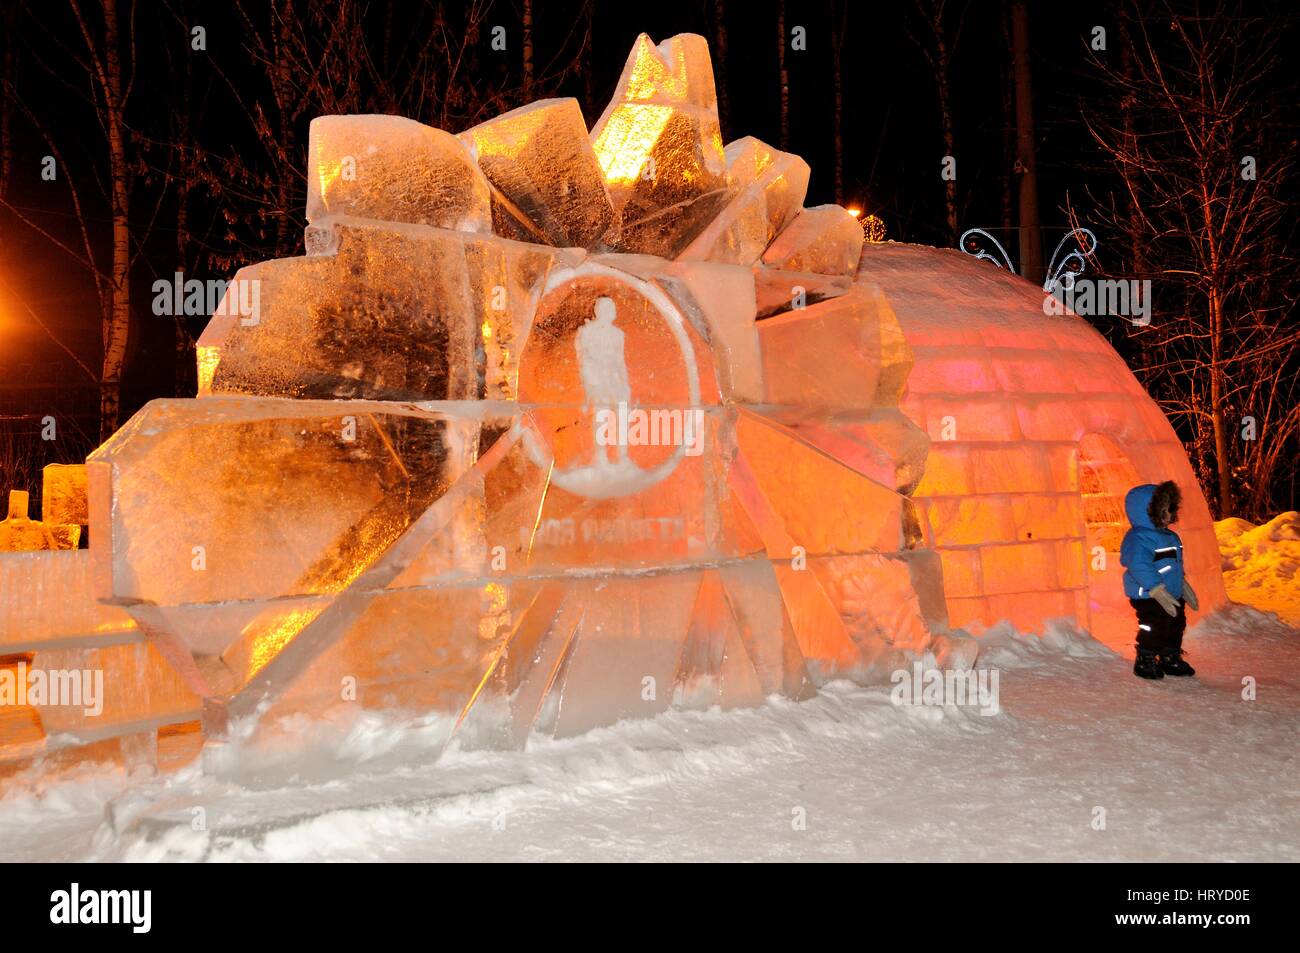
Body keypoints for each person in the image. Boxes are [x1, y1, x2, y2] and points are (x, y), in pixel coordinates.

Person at [1120, 481, 1200, 680]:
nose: (1171, 514)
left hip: (1172, 591)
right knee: (1154, 624)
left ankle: (1169, 656)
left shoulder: (1171, 537)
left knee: (1176, 623)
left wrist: (1182, 584)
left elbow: (1173, 565)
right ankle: (1145, 658)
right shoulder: (1138, 538)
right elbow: (1139, 564)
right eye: (1166, 509)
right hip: (1147, 593)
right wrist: (1156, 588)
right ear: (1150, 511)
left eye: (1172, 508)